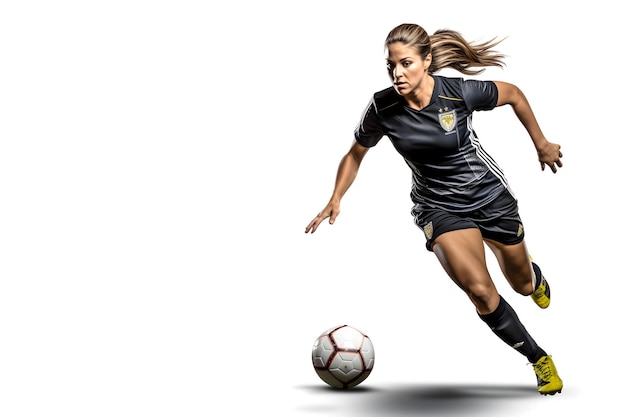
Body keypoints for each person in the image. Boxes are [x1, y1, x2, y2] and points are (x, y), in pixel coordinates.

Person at [304, 23, 564, 395]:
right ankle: (539, 358)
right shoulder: (382, 107)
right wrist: (335, 197)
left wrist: (541, 142)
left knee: (522, 285)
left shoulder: (458, 92)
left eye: (405, 63)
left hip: (490, 198)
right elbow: (355, 153)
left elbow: (514, 95)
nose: (397, 73)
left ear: (426, 62)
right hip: (438, 208)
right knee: (480, 290)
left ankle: (533, 278)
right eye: (390, 65)